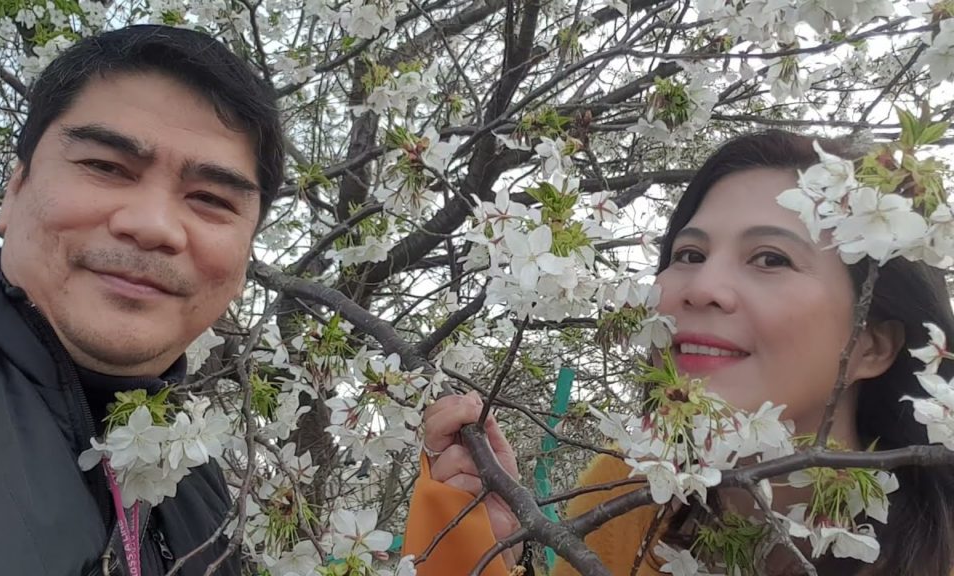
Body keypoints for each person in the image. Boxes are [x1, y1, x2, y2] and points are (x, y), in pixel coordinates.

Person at [402, 131, 954, 576]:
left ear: (873, 344)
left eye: (769, 259)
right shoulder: (630, 486)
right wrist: (480, 549)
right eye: (689, 253)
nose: (701, 286)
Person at [0, 25, 283, 576]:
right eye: (106, 167)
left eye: (211, 199)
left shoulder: (194, 478)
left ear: (244, 259)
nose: (153, 227)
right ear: (14, 189)